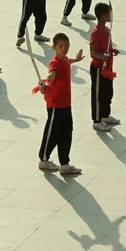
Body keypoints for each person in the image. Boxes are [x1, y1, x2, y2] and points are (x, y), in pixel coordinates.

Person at [38, 33, 85, 175]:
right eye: (60, 47)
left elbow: (68, 61)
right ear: (54, 47)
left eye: (66, 46)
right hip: (55, 106)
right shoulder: (55, 63)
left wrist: (76, 59)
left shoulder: (65, 60)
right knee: (52, 134)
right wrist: (45, 84)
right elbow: (51, 75)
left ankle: (64, 164)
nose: (64, 49)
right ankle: (44, 160)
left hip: (66, 105)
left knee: (66, 133)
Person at [89, 3, 121, 132]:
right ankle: (97, 120)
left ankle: (105, 115)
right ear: (103, 16)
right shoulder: (96, 33)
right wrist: (102, 57)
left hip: (108, 67)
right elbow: (93, 52)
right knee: (98, 94)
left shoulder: (107, 30)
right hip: (98, 68)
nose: (111, 16)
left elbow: (106, 47)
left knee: (108, 92)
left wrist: (112, 50)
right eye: (109, 13)